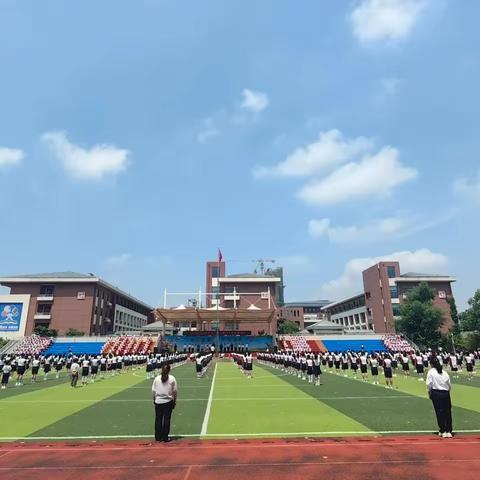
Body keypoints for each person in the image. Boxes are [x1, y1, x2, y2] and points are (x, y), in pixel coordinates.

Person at [426, 357, 453, 438]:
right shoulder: (444, 372)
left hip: (436, 393)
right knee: (447, 412)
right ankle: (449, 430)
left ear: (431, 364)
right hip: (446, 393)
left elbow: (429, 384)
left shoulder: (431, 372)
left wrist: (429, 393)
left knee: (439, 412)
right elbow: (449, 385)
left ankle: (443, 430)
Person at [152, 364, 177, 442]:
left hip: (158, 401)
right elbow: (175, 391)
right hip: (168, 401)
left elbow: (153, 391)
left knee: (158, 419)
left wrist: (154, 400)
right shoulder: (172, 378)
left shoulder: (157, 378)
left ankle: (158, 437)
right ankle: (165, 437)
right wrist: (174, 401)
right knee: (167, 419)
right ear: (169, 370)